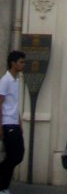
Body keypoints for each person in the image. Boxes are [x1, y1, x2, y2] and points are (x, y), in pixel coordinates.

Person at [0, 49, 26, 194]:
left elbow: (14, 104)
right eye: (21, 62)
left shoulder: (16, 80)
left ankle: (4, 185)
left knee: (18, 155)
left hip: (15, 123)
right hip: (7, 123)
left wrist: (20, 122)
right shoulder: (5, 81)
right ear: (13, 63)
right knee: (13, 156)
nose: (23, 65)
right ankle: (3, 187)